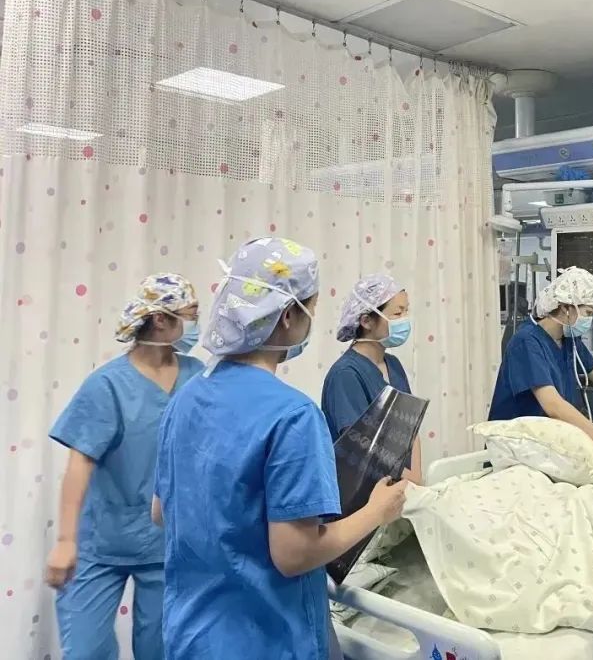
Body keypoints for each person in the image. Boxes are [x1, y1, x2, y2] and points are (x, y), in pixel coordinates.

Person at [152, 237, 405, 660]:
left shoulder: (186, 397)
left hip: (192, 635)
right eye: (311, 308)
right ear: (288, 315)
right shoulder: (292, 415)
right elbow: (295, 554)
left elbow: (160, 512)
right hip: (267, 640)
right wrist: (377, 511)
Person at [46, 273, 202, 660]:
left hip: (166, 541)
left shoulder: (196, 376)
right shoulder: (107, 385)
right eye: (190, 314)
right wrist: (65, 542)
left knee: (161, 649)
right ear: (161, 319)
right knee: (85, 650)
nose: (197, 324)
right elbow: (80, 463)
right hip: (101, 542)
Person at [489, 266, 593, 467]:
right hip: (519, 448)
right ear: (566, 307)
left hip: (551, 442)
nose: (590, 320)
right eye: (588, 312)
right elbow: (553, 405)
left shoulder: (568, 340)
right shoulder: (526, 342)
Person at [322, 274, 422, 484]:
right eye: (397, 313)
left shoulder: (393, 365)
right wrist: (409, 480)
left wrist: (416, 479)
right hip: (364, 493)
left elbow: (411, 429)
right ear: (366, 321)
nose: (405, 319)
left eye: (406, 311)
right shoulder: (346, 374)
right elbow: (360, 448)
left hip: (401, 486)